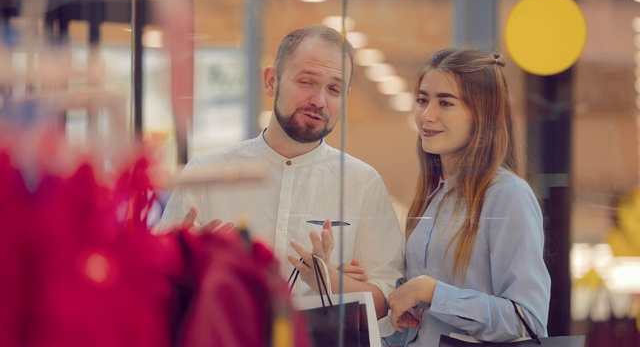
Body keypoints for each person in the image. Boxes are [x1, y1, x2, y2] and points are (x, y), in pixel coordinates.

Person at [155, 25, 404, 322]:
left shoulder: (363, 183)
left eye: (334, 89)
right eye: (307, 82)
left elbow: (387, 302)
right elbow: (156, 285)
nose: (319, 100)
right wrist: (192, 262)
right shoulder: (208, 174)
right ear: (271, 81)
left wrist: (330, 281)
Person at [384, 47, 551, 346]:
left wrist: (431, 291)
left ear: (482, 115)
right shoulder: (433, 197)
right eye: (422, 100)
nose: (426, 115)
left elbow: (528, 321)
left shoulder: (508, 196)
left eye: (445, 103)